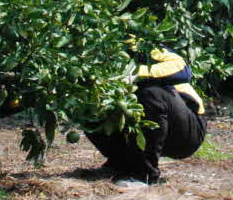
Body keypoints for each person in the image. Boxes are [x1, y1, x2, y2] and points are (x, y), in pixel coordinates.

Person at [86, 48, 208, 188]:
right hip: (149, 126)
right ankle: (122, 163)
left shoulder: (141, 45)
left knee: (151, 94)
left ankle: (144, 174)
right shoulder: (95, 49)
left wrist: (135, 73)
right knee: (88, 106)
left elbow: (183, 71)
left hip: (185, 130)